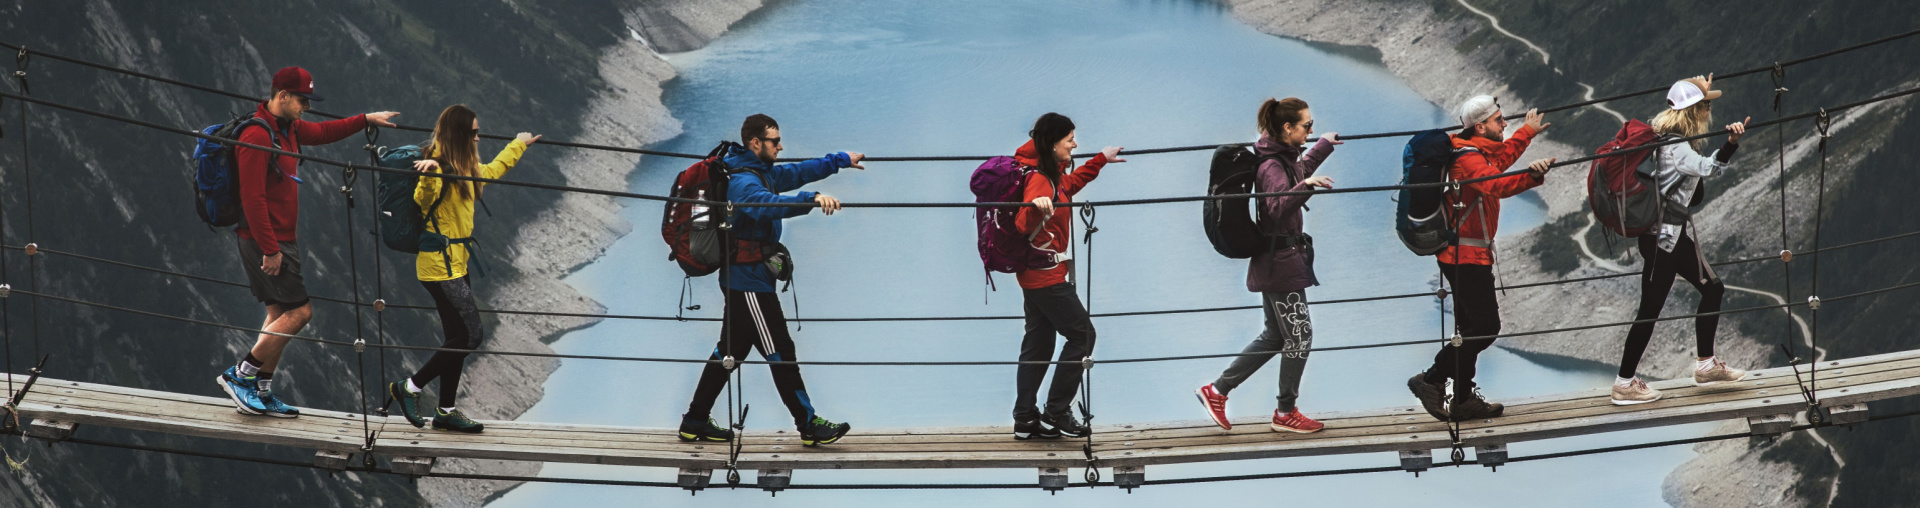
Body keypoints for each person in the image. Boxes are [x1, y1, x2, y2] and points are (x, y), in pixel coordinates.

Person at [216, 67, 398, 417]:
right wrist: (270, 249)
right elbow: (252, 198)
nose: (307, 107)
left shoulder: (288, 128)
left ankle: (263, 389)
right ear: (281, 96)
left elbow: (325, 131)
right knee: (301, 312)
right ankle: (240, 375)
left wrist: (365, 119)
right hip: (265, 240)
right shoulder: (257, 135)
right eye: (302, 100)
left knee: (279, 314)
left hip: (278, 239)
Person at [677, 114, 866, 446]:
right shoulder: (743, 182)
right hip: (749, 283)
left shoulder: (760, 172)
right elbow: (766, 206)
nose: (781, 146)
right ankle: (808, 425)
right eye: (775, 141)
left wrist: (839, 161)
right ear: (756, 143)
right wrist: (811, 200)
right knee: (780, 351)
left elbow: (796, 172)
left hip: (745, 278)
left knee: (729, 350)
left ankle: (694, 421)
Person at [384, 105, 540, 432]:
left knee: (457, 337)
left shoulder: (463, 167)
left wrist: (517, 145)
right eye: (473, 132)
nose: (478, 137)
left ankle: (445, 411)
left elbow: (493, 170)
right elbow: (424, 200)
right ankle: (408, 388)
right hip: (441, 269)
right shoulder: (438, 168)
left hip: (456, 264)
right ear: (458, 135)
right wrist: (428, 175)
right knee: (470, 336)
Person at [1405, 95, 1557, 422]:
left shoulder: (1475, 152)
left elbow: (1499, 161)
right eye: (1499, 120)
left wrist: (1526, 134)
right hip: (1465, 255)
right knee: (1486, 328)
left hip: (1466, 251)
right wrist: (1531, 177)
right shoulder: (1469, 162)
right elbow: (1497, 185)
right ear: (1480, 126)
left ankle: (1462, 399)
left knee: (1469, 327)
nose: (1505, 124)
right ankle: (1430, 379)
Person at [1195, 97, 1341, 433]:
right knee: (1300, 337)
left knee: (1277, 336)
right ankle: (1285, 413)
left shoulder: (1280, 155)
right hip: (1280, 265)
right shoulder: (1271, 166)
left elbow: (1298, 171)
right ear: (1287, 128)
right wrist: (1306, 187)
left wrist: (1322, 146)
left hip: (1279, 261)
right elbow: (1276, 206)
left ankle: (1217, 391)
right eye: (1307, 126)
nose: (1311, 129)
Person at [1611, 76, 1750, 405]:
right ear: (1693, 111)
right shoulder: (1677, 147)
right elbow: (1710, 168)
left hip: (1669, 237)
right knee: (1650, 311)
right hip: (1664, 242)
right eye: (1705, 104)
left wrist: (1700, 87)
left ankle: (1705, 365)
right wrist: (1731, 143)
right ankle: (1623, 383)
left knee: (1712, 289)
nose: (1709, 109)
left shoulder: (1670, 140)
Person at [1010, 112, 1126, 440]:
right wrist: (1035, 206)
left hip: (1037, 273)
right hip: (1046, 277)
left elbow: (1070, 185)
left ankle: (1025, 419)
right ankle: (1057, 411)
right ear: (1052, 143)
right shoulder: (1039, 180)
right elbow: (1022, 222)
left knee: (1039, 344)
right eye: (1070, 139)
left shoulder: (1052, 173)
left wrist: (1100, 160)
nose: (1075, 144)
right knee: (1082, 336)